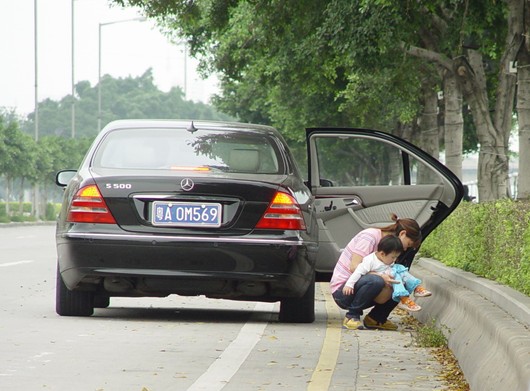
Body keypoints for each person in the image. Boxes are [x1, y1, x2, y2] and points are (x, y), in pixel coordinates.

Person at [330, 213, 423, 330]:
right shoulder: (370, 237)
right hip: (344, 290)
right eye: (408, 244)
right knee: (376, 280)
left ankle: (376, 318)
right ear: (402, 234)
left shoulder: (391, 250)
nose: (405, 249)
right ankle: (352, 316)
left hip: (364, 288)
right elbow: (354, 267)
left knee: (402, 282)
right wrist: (382, 277)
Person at [342, 235, 432, 313]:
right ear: (382, 254)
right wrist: (349, 285)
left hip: (388, 278)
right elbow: (357, 272)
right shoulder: (370, 261)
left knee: (400, 269)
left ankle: (416, 287)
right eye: (393, 257)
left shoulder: (388, 262)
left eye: (396, 257)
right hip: (373, 285)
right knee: (394, 276)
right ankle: (403, 299)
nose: (394, 260)